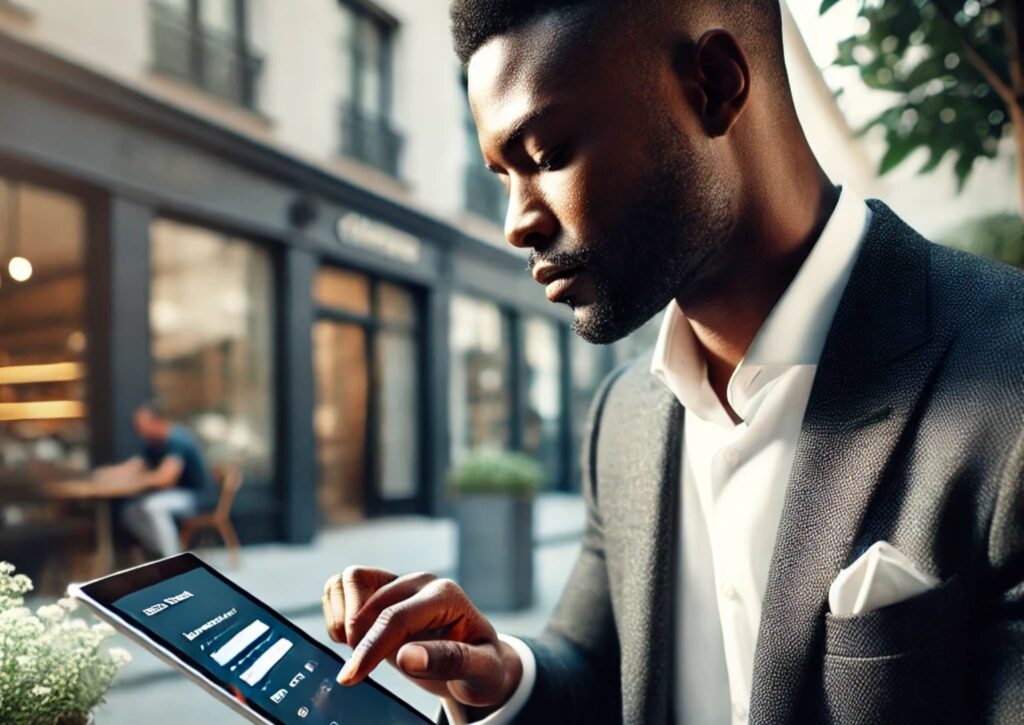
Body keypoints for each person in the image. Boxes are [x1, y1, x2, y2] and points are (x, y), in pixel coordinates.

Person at [321, 1, 1024, 723]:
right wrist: (500, 677)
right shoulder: (624, 417)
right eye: (503, 175)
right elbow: (598, 671)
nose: (516, 223)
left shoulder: (1008, 383)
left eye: (549, 152)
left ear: (715, 86)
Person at [114, 402, 213, 559]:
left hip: (193, 496)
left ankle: (173, 558)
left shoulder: (177, 440)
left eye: (142, 426)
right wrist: (109, 474)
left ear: (157, 422)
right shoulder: (153, 442)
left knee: (152, 506)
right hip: (171, 494)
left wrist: (138, 480)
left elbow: (166, 479)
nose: (140, 431)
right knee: (130, 511)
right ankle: (157, 552)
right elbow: (135, 466)